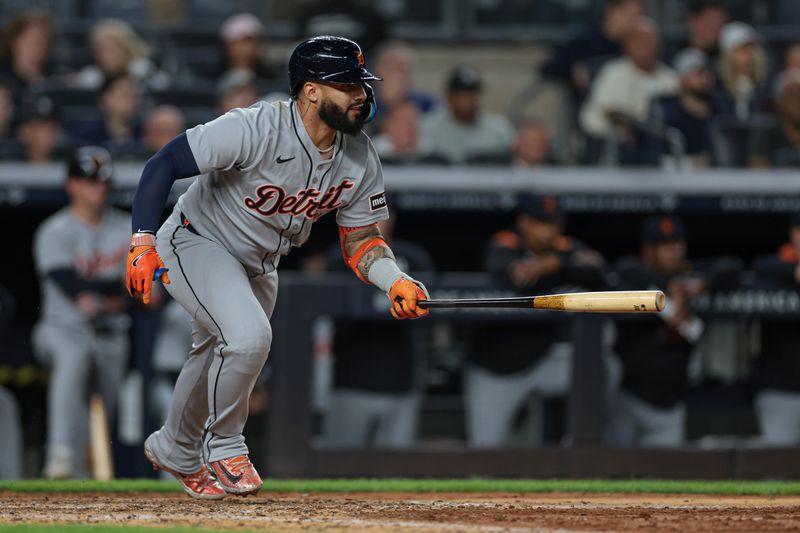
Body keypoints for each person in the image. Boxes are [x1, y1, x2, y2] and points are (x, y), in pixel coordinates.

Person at [127, 36, 430, 499]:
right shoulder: (257, 126)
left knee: (213, 351)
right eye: (348, 86)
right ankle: (226, 445)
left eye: (362, 86)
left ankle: (174, 448)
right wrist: (142, 241)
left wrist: (395, 279)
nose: (361, 96)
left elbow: (361, 242)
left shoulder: (359, 154)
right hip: (196, 241)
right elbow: (165, 161)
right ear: (311, 91)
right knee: (248, 338)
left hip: (260, 262)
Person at [465, 195, 607, 447]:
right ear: (524, 222)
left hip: (543, 362)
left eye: (553, 223)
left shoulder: (562, 248)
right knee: (485, 450)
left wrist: (552, 264)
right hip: (497, 370)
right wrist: (555, 269)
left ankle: (582, 442)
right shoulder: (505, 243)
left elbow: (598, 270)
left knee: (607, 366)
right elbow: (514, 275)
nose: (548, 231)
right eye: (540, 222)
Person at [31, 146, 131, 479]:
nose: (98, 188)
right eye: (88, 181)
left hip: (111, 334)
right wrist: (112, 289)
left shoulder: (126, 226)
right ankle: (59, 453)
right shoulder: (54, 231)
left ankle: (85, 479)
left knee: (107, 412)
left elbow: (142, 290)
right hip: (60, 329)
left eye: (102, 181)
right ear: (72, 184)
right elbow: (74, 289)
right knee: (73, 356)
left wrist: (110, 293)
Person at [322, 208, 435, 447]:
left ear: (393, 218)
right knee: (340, 463)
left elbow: (429, 308)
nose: (377, 222)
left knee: (396, 470)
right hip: (351, 382)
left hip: (401, 381)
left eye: (383, 215)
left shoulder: (413, 257)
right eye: (369, 215)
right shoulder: (338, 258)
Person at [606, 215, 705, 448]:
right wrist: (665, 302)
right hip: (627, 400)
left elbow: (731, 268)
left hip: (670, 407)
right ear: (648, 250)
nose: (672, 252)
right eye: (663, 246)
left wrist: (700, 284)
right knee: (610, 474)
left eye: (676, 244)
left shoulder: (691, 279)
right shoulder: (631, 277)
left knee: (662, 480)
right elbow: (622, 270)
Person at [580, 17, 679, 145]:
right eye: (642, 41)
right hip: (616, 146)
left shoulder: (670, 77)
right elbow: (610, 111)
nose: (649, 46)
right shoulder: (614, 72)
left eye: (653, 41)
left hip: (663, 145)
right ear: (628, 45)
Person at [751, 212, 800, 445]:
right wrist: (793, 272)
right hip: (780, 390)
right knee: (778, 469)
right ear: (793, 233)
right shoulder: (775, 266)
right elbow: (757, 266)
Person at [539, 0, 644, 101]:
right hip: (591, 112)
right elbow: (548, 68)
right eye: (632, 15)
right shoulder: (584, 42)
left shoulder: (637, 47)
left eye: (639, 16)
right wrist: (573, 70)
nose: (636, 22)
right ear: (612, 11)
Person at [421, 66, 515, 164]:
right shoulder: (429, 128)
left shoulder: (499, 129)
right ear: (449, 96)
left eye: (471, 94)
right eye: (461, 95)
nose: (467, 101)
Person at [650, 48, 714, 168]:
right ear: (681, 78)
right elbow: (658, 160)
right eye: (698, 73)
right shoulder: (668, 116)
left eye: (706, 72)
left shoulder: (721, 109)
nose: (704, 78)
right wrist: (690, 164)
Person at [72, 19, 170, 92]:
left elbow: (164, 88)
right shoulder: (91, 78)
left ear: (125, 48)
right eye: (99, 49)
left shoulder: (143, 71)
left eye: (110, 48)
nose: (104, 54)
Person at [0, 11, 55, 115]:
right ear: (13, 42)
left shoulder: (55, 76)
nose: (37, 48)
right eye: (30, 41)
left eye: (43, 41)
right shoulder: (2, 80)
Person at [371, 41, 437, 125]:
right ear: (378, 72)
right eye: (393, 69)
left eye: (403, 70)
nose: (399, 77)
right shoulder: (364, 105)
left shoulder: (426, 104)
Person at [71, 73, 141, 147]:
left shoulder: (145, 134)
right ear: (105, 99)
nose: (133, 102)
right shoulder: (86, 135)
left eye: (135, 96)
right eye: (125, 96)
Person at [749, 70, 800, 168]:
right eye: (792, 96)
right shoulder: (767, 134)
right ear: (779, 102)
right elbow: (757, 171)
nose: (798, 102)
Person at [217, 13, 280, 87]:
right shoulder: (214, 78)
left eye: (248, 42)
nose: (242, 49)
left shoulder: (271, 79)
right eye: (236, 43)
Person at [372, 101, 439, 164]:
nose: (411, 126)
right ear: (389, 126)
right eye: (404, 121)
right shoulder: (371, 158)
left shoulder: (435, 160)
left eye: (414, 121)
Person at [9, 95, 61, 163]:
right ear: (24, 131)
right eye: (40, 126)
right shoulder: (9, 165)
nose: (48, 133)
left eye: (51, 126)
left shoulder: (68, 164)